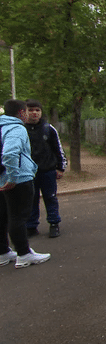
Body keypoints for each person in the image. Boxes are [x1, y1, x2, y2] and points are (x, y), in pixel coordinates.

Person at [0, 99, 51, 268]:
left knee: (4, 216)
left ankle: (3, 252)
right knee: (18, 217)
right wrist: (12, 177)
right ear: (22, 112)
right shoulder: (16, 128)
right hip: (18, 180)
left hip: (2, 179)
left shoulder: (1, 126)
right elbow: (9, 153)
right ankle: (24, 254)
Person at [24, 99, 68, 238]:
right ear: (25, 112)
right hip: (28, 173)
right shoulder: (20, 130)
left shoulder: (48, 129)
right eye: (31, 110)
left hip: (47, 171)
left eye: (37, 110)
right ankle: (31, 226)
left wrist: (61, 167)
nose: (34, 113)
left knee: (50, 198)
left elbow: (58, 149)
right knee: (31, 200)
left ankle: (54, 224)